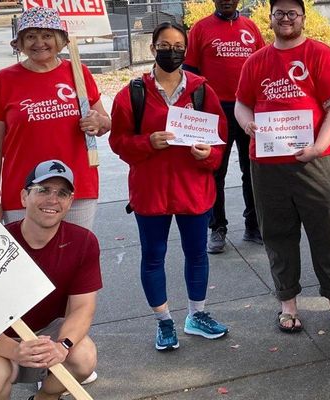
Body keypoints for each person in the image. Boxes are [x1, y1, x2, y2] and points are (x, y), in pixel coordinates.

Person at [109, 23, 231, 352]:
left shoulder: (203, 92)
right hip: (151, 194)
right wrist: (146, 142)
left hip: (193, 191)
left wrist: (208, 155)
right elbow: (118, 142)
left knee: (197, 256)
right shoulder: (131, 93)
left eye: (178, 46)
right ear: (152, 49)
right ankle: (163, 321)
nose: (171, 52)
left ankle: (197, 315)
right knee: (153, 258)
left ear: (186, 51)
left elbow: (219, 143)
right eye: (164, 45)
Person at [234, 0, 330, 333]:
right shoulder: (256, 60)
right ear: (270, 19)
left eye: (292, 13)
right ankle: (287, 304)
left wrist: (317, 146)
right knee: (277, 234)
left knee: (326, 233)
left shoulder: (319, 54)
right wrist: (247, 124)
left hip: (318, 161)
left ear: (303, 18)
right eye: (279, 13)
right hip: (268, 165)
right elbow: (242, 104)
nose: (285, 18)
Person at [0, 160, 100, 400]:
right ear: (23, 197)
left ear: (70, 202)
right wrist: (15, 350)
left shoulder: (83, 242)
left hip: (44, 333)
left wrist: (62, 346)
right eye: (43, 190)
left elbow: (83, 308)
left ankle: (45, 398)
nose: (53, 199)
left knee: (84, 357)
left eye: (62, 193)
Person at [0, 7, 110, 229]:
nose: (39, 42)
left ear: (59, 39)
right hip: (24, 192)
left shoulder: (78, 72)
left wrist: (98, 122)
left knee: (73, 257)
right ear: (21, 42)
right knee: (29, 263)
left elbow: (106, 123)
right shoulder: (4, 80)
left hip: (75, 189)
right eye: (30, 36)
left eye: (47, 35)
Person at [184, 0, 267, 251]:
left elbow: (264, 66)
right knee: (214, 172)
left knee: (251, 170)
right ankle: (217, 228)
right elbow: (190, 72)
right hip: (214, 112)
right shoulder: (200, 29)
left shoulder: (251, 28)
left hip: (248, 110)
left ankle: (253, 225)